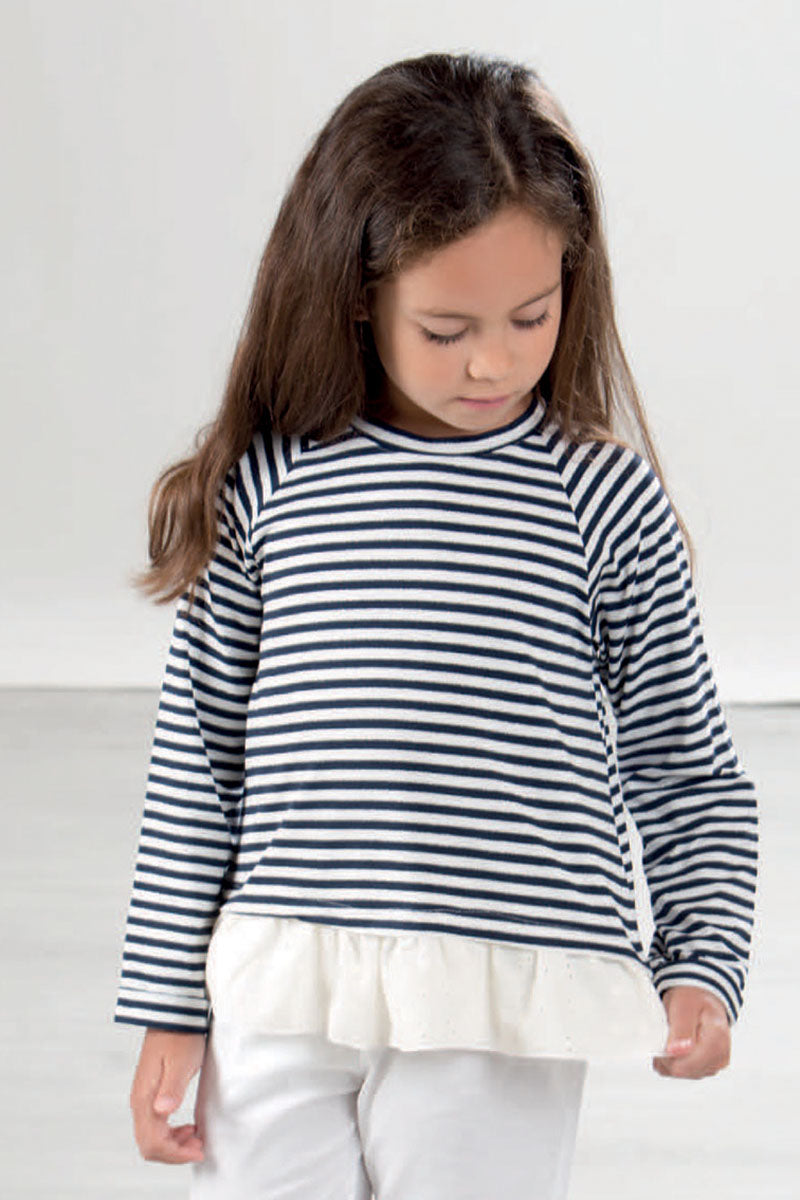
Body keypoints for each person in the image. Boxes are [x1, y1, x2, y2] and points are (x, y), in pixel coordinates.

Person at [115, 51, 760, 1200]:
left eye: (530, 316)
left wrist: (701, 963)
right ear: (357, 295)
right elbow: (199, 761)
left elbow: (682, 766)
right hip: (281, 981)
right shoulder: (270, 485)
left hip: (498, 998)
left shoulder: (600, 499)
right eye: (446, 326)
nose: (493, 360)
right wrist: (168, 1005)